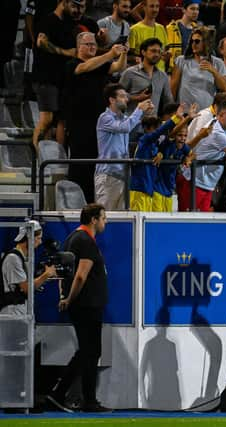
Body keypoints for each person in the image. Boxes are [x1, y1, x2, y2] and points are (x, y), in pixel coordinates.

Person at [47, 204, 110, 413]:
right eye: (103, 218)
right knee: (91, 351)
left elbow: (63, 273)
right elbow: (81, 275)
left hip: (84, 304)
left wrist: (64, 296)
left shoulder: (73, 238)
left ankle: (59, 394)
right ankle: (87, 401)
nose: (105, 222)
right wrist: (69, 299)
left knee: (87, 351)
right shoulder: (85, 241)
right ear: (93, 219)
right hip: (87, 305)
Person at [63, 32, 129, 203]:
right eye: (88, 44)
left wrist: (123, 52)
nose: (92, 47)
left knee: (98, 165)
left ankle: (96, 202)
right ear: (78, 47)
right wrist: (109, 54)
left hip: (100, 126)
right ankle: (77, 202)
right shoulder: (71, 65)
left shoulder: (99, 65)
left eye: (94, 44)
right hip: (80, 125)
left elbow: (117, 67)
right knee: (81, 164)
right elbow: (84, 68)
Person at [31, 0, 84, 148]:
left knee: (54, 120)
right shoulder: (48, 20)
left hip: (60, 78)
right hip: (45, 77)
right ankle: (37, 155)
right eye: (74, 5)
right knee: (46, 119)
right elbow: (41, 42)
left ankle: (45, 155)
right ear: (63, 2)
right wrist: (66, 52)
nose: (77, 10)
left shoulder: (68, 23)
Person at [96, 83, 154, 210]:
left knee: (122, 217)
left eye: (126, 96)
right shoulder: (104, 118)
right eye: (122, 96)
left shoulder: (125, 118)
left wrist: (145, 113)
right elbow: (125, 127)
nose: (126, 99)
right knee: (106, 215)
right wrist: (139, 110)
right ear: (112, 100)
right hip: (108, 176)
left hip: (124, 174)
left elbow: (134, 127)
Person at [1, 221, 56, 316]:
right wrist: (46, 275)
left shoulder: (22, 258)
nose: (40, 242)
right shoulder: (13, 258)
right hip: (12, 311)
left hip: (20, 309)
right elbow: (26, 288)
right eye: (38, 238)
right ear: (29, 238)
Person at [170, 28, 226, 109]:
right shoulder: (181, 60)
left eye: (197, 41)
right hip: (184, 113)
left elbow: (225, 88)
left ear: (206, 42)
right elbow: (173, 87)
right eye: (192, 41)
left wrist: (213, 71)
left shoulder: (218, 63)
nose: (193, 44)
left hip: (206, 114)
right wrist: (170, 111)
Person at [119, 37, 174, 117]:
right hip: (131, 124)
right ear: (143, 52)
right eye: (153, 51)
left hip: (152, 125)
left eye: (159, 52)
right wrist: (136, 98)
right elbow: (117, 97)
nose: (157, 54)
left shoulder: (163, 76)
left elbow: (168, 101)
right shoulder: (130, 72)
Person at [128, 0, 170, 71]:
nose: (155, 9)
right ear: (144, 7)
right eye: (151, 6)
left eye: (157, 6)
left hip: (160, 74)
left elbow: (165, 52)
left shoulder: (161, 28)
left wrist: (166, 56)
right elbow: (128, 56)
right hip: (141, 74)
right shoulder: (134, 30)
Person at [165, 0, 201, 72]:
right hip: (175, 69)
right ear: (184, 10)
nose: (195, 12)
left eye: (197, 9)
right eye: (192, 9)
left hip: (193, 70)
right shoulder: (171, 28)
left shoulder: (198, 30)